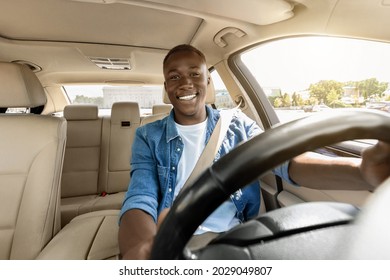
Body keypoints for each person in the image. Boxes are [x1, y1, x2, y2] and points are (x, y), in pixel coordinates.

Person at [118, 44, 390, 260]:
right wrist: (143, 248)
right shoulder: (148, 136)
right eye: (174, 77)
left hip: (233, 238)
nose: (185, 83)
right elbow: (140, 196)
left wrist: (361, 171)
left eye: (194, 73)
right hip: (172, 240)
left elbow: (288, 162)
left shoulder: (237, 126)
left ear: (208, 81)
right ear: (166, 88)